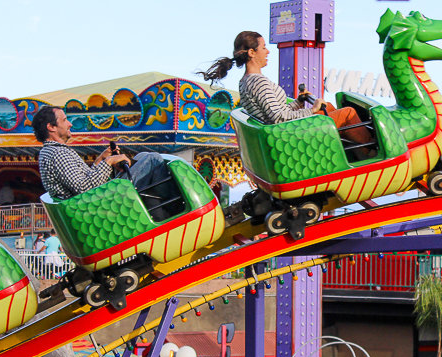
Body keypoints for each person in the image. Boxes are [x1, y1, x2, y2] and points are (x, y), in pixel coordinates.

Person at [198, 31, 374, 159]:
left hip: (283, 132)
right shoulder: (257, 82)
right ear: (252, 53)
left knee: (327, 107)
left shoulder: (246, 82)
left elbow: (275, 111)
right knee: (348, 113)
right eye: (264, 47)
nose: (267, 51)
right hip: (288, 135)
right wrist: (311, 110)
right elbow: (279, 118)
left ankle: (354, 152)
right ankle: (369, 154)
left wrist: (299, 102)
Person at [34, 106, 179, 220]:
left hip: (94, 204)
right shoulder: (58, 153)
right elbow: (84, 189)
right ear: (51, 127)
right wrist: (109, 162)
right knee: (152, 160)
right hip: (99, 206)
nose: (70, 123)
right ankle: (180, 210)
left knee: (143, 157)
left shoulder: (51, 152)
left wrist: (101, 159)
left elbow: (82, 181)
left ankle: (160, 216)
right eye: (65, 120)